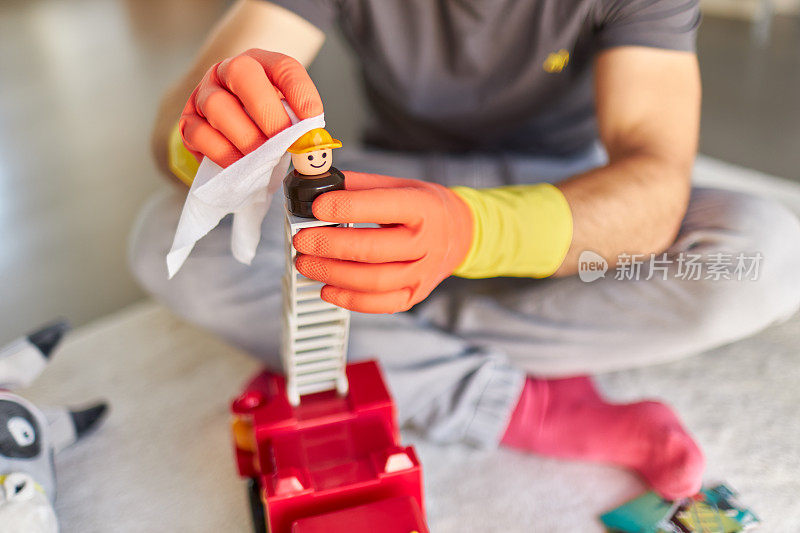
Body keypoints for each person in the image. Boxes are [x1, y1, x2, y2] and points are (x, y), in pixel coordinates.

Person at [131, 0, 800, 501]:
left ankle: (374, 345)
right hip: (388, 176)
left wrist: (470, 232)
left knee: (768, 254)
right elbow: (174, 128)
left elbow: (654, 181)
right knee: (170, 236)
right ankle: (523, 400)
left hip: (567, 195)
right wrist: (211, 136)